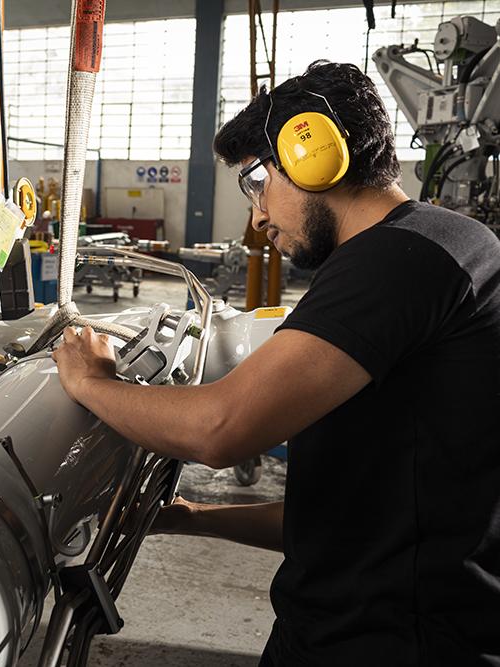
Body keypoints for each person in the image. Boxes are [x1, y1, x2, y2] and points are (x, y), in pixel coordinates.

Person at [52, 61, 500, 664]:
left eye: (256, 182)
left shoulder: (398, 259)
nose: (257, 217)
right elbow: (364, 515)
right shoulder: (445, 243)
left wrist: (90, 380)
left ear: (313, 154)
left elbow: (219, 429)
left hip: (384, 644)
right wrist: (195, 518)